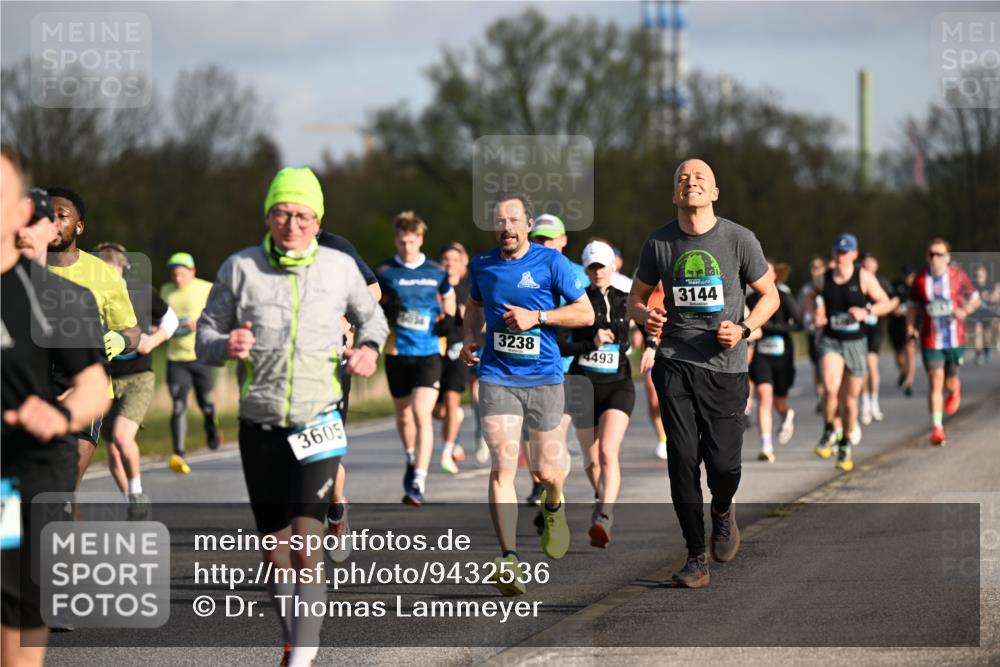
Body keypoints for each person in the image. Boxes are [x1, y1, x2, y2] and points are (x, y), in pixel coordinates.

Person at [196, 167, 388, 667]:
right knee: (274, 551)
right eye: (283, 212)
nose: (293, 223)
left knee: (308, 540)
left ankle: (302, 658)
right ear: (268, 215)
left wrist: (367, 349)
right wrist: (225, 343)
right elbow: (204, 338)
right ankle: (291, 641)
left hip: (319, 418)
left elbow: (374, 319)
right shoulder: (240, 269)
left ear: (318, 219)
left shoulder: (340, 266)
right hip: (259, 423)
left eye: (303, 214)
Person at [629, 158, 778, 589]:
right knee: (681, 460)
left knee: (724, 465)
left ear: (714, 192)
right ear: (675, 194)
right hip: (675, 361)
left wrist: (746, 328)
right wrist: (647, 316)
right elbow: (635, 299)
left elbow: (769, 296)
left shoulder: (738, 239)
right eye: (682, 179)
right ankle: (696, 556)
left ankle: (723, 510)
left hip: (726, 366)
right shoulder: (658, 243)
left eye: (699, 179)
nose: (689, 183)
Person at [1, 145, 109, 667]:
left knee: (15, 632)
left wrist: (61, 415)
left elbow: (97, 389)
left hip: (23, 473)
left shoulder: (61, 299)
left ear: (22, 210)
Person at [460, 192, 593, 595]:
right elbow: (473, 306)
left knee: (547, 471)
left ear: (528, 225)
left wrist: (539, 316)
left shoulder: (552, 263)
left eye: (514, 221)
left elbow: (585, 313)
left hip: (544, 378)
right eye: (500, 221)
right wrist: (469, 339)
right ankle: (509, 559)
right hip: (497, 376)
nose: (506, 228)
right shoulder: (482, 265)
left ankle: (554, 501)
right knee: (503, 465)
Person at [45, 186, 139, 486]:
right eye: (47, 216)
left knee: (63, 485)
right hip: (31, 387)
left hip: (85, 389)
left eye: (63, 216)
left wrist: (121, 340)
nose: (54, 223)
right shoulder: (19, 268)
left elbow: (132, 329)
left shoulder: (104, 275)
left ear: (79, 226)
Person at [376, 212, 456, 506]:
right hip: (397, 352)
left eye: (412, 241)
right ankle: (411, 457)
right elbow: (371, 302)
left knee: (422, 414)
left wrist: (448, 319)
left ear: (420, 240)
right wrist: (384, 310)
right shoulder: (384, 271)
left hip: (428, 352)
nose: (407, 247)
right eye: (402, 241)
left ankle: (418, 481)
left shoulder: (436, 271)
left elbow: (448, 297)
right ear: (396, 240)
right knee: (404, 415)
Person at [559, 240, 635, 548]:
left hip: (618, 384)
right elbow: (562, 345)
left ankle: (604, 515)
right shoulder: (576, 302)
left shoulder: (626, 300)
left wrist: (646, 345)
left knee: (607, 453)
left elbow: (635, 337)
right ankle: (600, 496)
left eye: (602, 265)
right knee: (590, 460)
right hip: (582, 386)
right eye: (591, 267)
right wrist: (592, 342)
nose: (597, 271)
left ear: (613, 266)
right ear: (586, 270)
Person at [94, 243, 177, 517]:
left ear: (124, 270)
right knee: (114, 450)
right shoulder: (85, 296)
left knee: (121, 436)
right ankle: (133, 500)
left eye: (112, 274)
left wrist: (153, 340)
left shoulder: (142, 292)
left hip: (138, 377)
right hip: (104, 380)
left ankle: (137, 490)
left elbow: (171, 320)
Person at [316, 223, 382, 563]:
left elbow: (373, 291)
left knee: (325, 451)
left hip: (330, 366)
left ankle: (336, 509)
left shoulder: (337, 246)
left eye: (302, 215)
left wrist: (349, 319)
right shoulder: (269, 255)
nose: (292, 224)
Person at [807, 233, 893, 472]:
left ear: (855, 254)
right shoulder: (823, 278)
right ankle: (828, 431)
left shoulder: (864, 278)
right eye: (837, 252)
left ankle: (845, 443)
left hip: (856, 343)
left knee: (849, 400)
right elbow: (809, 296)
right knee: (830, 388)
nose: (840, 256)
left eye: (845, 252)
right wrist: (815, 313)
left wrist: (867, 312)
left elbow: (885, 303)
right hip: (831, 341)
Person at [525, 213, 589, 505]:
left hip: (565, 367)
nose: (545, 244)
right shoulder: (521, 271)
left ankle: (554, 495)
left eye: (551, 239)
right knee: (531, 436)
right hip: (526, 366)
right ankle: (542, 484)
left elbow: (591, 316)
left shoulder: (580, 274)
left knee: (555, 431)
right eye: (539, 239)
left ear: (564, 241)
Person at [906, 238, 980, 446]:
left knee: (949, 382)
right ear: (926, 256)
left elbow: (976, 298)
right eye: (931, 254)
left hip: (955, 338)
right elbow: (912, 306)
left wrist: (964, 310)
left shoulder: (958, 277)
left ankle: (955, 389)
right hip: (931, 339)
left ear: (947, 257)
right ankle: (937, 428)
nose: (935, 258)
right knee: (935, 381)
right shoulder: (920, 280)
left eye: (939, 254)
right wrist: (911, 328)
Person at [160, 252, 219, 474]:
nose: (177, 278)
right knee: (178, 406)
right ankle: (179, 452)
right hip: (176, 358)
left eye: (182, 274)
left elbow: (221, 314)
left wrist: (201, 322)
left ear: (192, 271)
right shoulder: (166, 291)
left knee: (207, 403)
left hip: (201, 356)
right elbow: (159, 319)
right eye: (174, 274)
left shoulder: (206, 287)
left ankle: (211, 426)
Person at [748, 261, 802, 462]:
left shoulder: (783, 297)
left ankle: (786, 415)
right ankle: (766, 446)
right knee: (763, 396)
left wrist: (772, 326)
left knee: (779, 401)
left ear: (775, 276)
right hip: (762, 356)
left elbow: (798, 324)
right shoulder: (751, 300)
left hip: (783, 356)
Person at [433, 242, 471, 473]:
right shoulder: (434, 285)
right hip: (434, 349)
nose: (450, 264)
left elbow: (475, 320)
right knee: (435, 410)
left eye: (455, 260)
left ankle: (447, 452)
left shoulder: (468, 287)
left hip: (458, 348)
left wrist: (466, 314)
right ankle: (454, 419)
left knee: (451, 398)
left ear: (461, 263)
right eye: (446, 260)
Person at [859, 253, 899, 425]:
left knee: (871, 364)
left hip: (876, 329)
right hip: (859, 330)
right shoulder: (857, 281)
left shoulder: (881, 283)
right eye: (865, 266)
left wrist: (887, 308)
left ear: (876, 266)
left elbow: (895, 299)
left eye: (870, 265)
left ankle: (873, 402)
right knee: (861, 368)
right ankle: (865, 403)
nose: (867, 268)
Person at [640, 282, 669, 460]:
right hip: (651, 351)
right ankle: (663, 438)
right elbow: (636, 319)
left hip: (674, 351)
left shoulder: (674, 291)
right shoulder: (646, 295)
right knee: (654, 400)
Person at [798, 256, 828, 413]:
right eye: (812, 268)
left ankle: (829, 395)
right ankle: (820, 397)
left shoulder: (830, 285)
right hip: (812, 332)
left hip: (827, 333)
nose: (814, 271)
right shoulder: (805, 289)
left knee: (827, 366)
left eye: (817, 267)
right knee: (817, 366)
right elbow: (800, 310)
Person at [887, 264, 918, 396]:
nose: (908, 279)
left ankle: (909, 383)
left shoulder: (917, 288)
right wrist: (893, 309)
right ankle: (904, 372)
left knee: (910, 352)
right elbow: (887, 302)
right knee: (899, 355)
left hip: (911, 325)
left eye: (910, 276)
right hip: (896, 326)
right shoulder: (895, 287)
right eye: (906, 276)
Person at [969, 264, 998, 365]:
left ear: (985, 273)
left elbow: (995, 298)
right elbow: (969, 297)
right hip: (977, 312)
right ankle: (978, 354)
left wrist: (989, 297)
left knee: (987, 335)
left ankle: (987, 350)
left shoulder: (990, 285)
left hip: (988, 312)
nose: (979, 274)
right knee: (977, 331)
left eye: (982, 272)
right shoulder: (973, 285)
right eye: (978, 272)